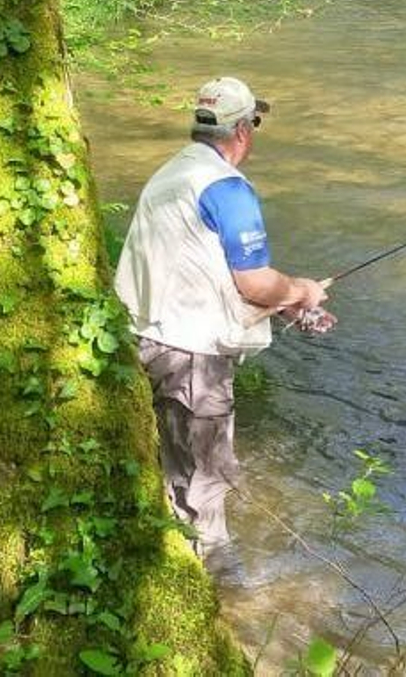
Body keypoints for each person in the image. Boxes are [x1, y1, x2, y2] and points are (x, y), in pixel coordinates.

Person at [114, 76, 333, 559]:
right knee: (207, 481)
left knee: (173, 467)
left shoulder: (172, 173)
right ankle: (218, 585)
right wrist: (303, 289)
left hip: (144, 342)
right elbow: (253, 282)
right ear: (242, 131)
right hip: (192, 357)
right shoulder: (227, 188)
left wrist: (284, 304)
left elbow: (197, 271)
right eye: (253, 123)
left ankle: (175, 558)